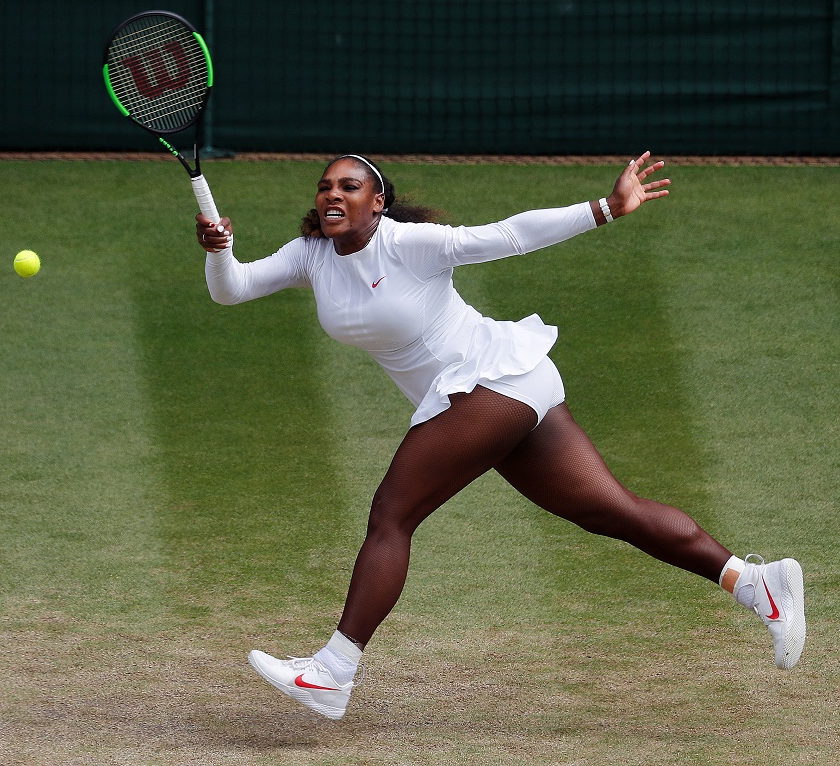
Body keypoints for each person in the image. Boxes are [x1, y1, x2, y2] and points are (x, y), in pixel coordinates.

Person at [195, 152, 806, 721]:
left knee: (392, 515)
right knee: (610, 510)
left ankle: (334, 671)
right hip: (499, 391)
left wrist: (606, 207)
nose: (333, 195)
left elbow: (510, 235)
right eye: (326, 187)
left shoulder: (409, 244)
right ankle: (756, 584)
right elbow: (232, 288)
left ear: (377, 202)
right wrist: (219, 249)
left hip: (492, 380)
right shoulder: (311, 255)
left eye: (349, 187)